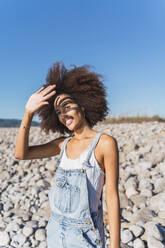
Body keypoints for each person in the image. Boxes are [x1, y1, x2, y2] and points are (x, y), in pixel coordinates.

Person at [15, 62, 120, 248]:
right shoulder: (62, 144)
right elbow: (21, 154)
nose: (63, 114)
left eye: (67, 106)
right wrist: (28, 113)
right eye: (58, 112)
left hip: (85, 237)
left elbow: (112, 195)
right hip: (55, 233)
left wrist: (115, 245)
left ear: (83, 105)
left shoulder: (104, 143)